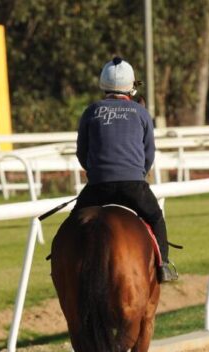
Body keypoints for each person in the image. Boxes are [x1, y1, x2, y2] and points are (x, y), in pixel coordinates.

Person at [74, 56, 178, 282]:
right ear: (131, 87)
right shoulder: (141, 113)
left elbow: (82, 152)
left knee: (73, 223)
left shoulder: (91, 112)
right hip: (134, 185)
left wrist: (96, 172)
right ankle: (164, 266)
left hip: (98, 186)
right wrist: (138, 174)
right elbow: (149, 153)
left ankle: (66, 267)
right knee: (155, 217)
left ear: (103, 85)